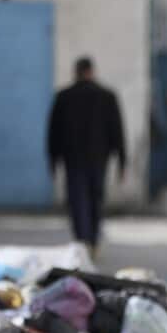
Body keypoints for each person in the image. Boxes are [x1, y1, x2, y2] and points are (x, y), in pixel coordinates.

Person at [46, 57, 125, 257]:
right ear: (92, 71)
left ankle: (82, 241)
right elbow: (117, 130)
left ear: (76, 71)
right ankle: (93, 241)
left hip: (73, 160)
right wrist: (122, 160)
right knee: (95, 200)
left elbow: (53, 133)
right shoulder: (107, 96)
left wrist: (52, 160)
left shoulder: (64, 97)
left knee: (77, 200)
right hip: (99, 160)